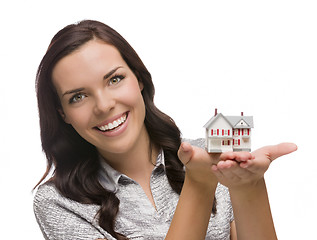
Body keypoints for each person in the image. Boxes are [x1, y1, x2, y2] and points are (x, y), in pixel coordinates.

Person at [33, 20, 297, 240]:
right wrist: (200, 183)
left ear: (139, 79)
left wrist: (249, 187)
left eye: (115, 79)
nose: (104, 106)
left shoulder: (210, 157)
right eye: (78, 97)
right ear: (62, 113)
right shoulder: (58, 203)